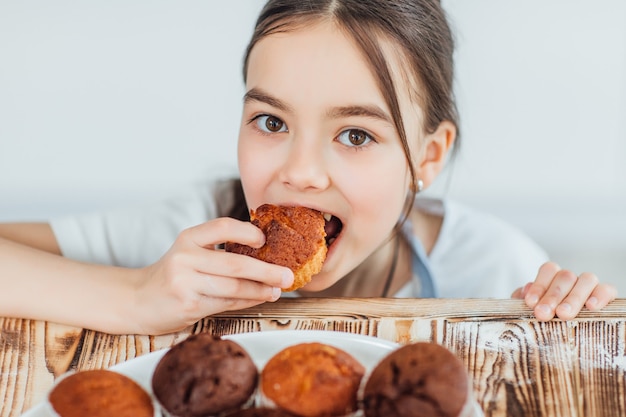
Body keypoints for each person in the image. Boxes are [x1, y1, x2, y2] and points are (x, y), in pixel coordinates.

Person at [0, 0, 617, 335]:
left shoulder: (490, 267)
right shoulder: (192, 230)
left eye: (354, 133)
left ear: (426, 155)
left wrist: (570, 325)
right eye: (271, 123)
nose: (299, 172)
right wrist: (135, 296)